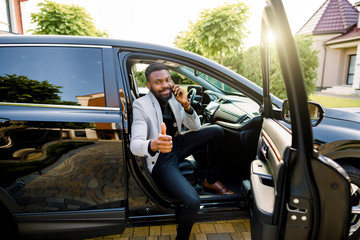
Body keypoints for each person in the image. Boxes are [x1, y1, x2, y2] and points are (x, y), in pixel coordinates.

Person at [130, 62, 233, 240]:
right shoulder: (140, 105)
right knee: (193, 201)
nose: (165, 85)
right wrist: (155, 144)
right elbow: (135, 144)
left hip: (178, 143)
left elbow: (195, 126)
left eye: (168, 79)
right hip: (161, 158)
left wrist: (185, 105)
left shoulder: (174, 98)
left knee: (216, 131)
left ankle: (211, 181)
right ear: (148, 85)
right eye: (158, 82)